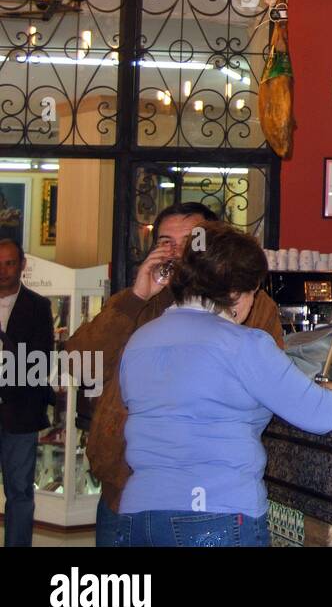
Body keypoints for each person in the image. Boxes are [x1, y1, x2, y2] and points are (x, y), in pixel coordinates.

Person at [65, 203, 286, 547]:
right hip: (123, 489)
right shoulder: (136, 303)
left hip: (210, 496)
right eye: (166, 242)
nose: (179, 253)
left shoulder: (251, 304)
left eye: (191, 241)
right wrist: (136, 297)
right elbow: (80, 364)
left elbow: (268, 385)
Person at [114, 222, 332, 546]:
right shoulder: (243, 344)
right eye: (254, 290)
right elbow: (324, 416)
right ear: (236, 293)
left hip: (138, 514)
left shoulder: (140, 341)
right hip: (216, 513)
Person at [0, 239, 54, 547]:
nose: (3, 270)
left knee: (19, 490)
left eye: (9, 263)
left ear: (22, 265)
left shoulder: (38, 306)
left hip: (20, 412)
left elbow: (42, 359)